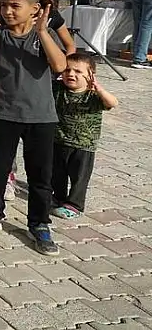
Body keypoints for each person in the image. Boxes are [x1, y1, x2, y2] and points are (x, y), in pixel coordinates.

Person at [0, 0, 68, 256]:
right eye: (4, 6)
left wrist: (43, 31)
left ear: (34, 8)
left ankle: (39, 223)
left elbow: (60, 65)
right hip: (4, 113)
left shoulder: (42, 35)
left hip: (41, 117)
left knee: (40, 174)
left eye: (15, 6)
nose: (8, 11)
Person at [51, 52, 118, 219]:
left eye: (78, 71)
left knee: (79, 177)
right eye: (67, 70)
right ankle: (57, 197)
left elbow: (113, 103)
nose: (71, 74)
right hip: (58, 140)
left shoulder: (93, 95)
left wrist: (100, 89)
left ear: (90, 75)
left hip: (84, 145)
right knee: (57, 173)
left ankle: (74, 204)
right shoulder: (58, 89)